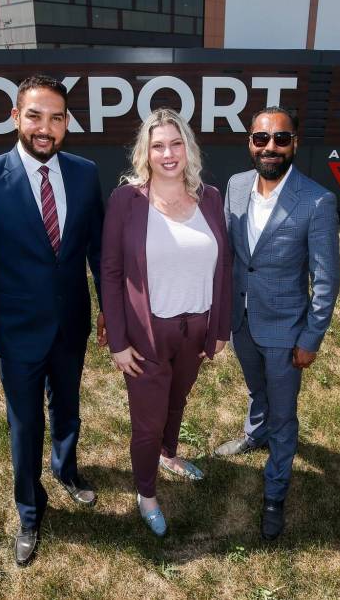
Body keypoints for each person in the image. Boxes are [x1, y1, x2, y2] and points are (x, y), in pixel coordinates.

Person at [0, 74, 106, 567]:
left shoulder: (85, 174)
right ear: (15, 117)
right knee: (25, 423)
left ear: (67, 123)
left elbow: (99, 254)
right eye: (35, 116)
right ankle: (29, 507)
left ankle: (67, 469)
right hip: (17, 333)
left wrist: (109, 310)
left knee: (68, 406)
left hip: (71, 323)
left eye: (56, 118)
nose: (46, 128)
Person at [101, 108, 232, 537]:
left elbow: (224, 268)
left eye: (176, 143)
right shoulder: (127, 201)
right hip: (147, 334)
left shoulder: (209, 198)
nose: (168, 153)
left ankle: (169, 454)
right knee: (147, 421)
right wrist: (118, 341)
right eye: (158, 145)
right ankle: (147, 494)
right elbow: (112, 273)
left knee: (177, 402)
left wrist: (219, 330)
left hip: (195, 328)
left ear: (188, 148)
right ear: (146, 152)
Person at [213, 106, 340, 541]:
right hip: (241, 320)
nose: (270, 147)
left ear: (294, 144)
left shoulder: (317, 201)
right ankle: (254, 432)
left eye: (281, 139)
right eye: (261, 139)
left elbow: (326, 280)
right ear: (250, 142)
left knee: (284, 415)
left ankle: (275, 492)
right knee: (256, 389)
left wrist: (311, 338)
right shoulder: (235, 186)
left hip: (286, 331)